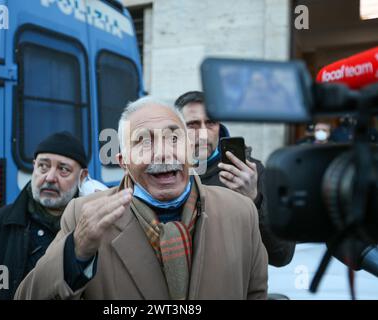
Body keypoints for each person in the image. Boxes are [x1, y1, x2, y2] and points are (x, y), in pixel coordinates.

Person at [15, 96, 268, 300]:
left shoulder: (240, 211)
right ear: (123, 162)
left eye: (173, 138)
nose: (162, 153)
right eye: (143, 142)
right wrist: (76, 253)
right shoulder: (84, 214)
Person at [0, 131, 97, 299]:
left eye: (63, 169)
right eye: (43, 166)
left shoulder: (89, 231)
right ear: (34, 167)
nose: (50, 177)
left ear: (82, 177)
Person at [175, 91, 295, 267]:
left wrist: (254, 199)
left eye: (210, 123)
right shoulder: (166, 173)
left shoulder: (249, 172)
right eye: (192, 125)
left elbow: (281, 255)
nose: (203, 134)